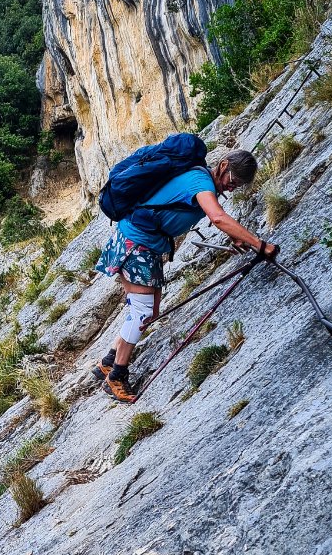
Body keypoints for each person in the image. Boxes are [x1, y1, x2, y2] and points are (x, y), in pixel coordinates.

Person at [94, 147, 278, 402]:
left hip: (143, 244)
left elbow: (211, 215)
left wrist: (236, 238)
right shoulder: (200, 181)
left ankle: (109, 361)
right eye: (232, 181)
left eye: (237, 185)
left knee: (148, 312)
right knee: (143, 312)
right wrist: (260, 244)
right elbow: (217, 217)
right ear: (223, 166)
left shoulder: (201, 181)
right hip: (136, 244)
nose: (232, 187)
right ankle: (116, 377)